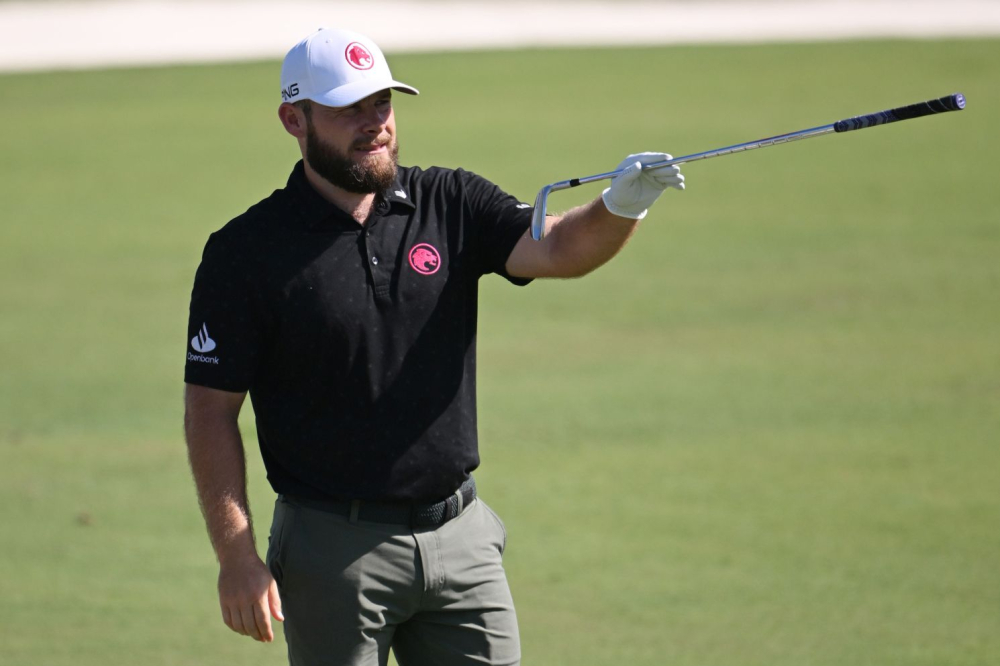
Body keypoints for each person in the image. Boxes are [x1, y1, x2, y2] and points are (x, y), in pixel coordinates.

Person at [183, 27, 684, 666]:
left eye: (382, 104)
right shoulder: (245, 252)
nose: (375, 125)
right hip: (333, 549)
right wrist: (236, 556)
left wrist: (621, 206)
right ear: (293, 119)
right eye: (347, 110)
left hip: (461, 537)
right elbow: (210, 411)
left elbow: (557, 247)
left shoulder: (449, 201)